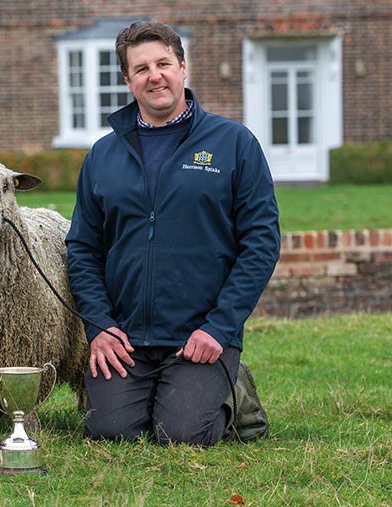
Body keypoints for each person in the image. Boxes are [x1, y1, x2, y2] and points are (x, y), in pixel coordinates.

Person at [65, 21, 279, 446]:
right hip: (125, 337)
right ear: (128, 81)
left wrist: (220, 328)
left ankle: (231, 390)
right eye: (141, 68)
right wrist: (100, 326)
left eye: (163, 63)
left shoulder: (234, 143)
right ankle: (158, 394)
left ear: (183, 67)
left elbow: (261, 242)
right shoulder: (103, 155)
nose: (154, 75)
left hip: (199, 336)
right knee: (109, 431)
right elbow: (83, 249)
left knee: (180, 433)